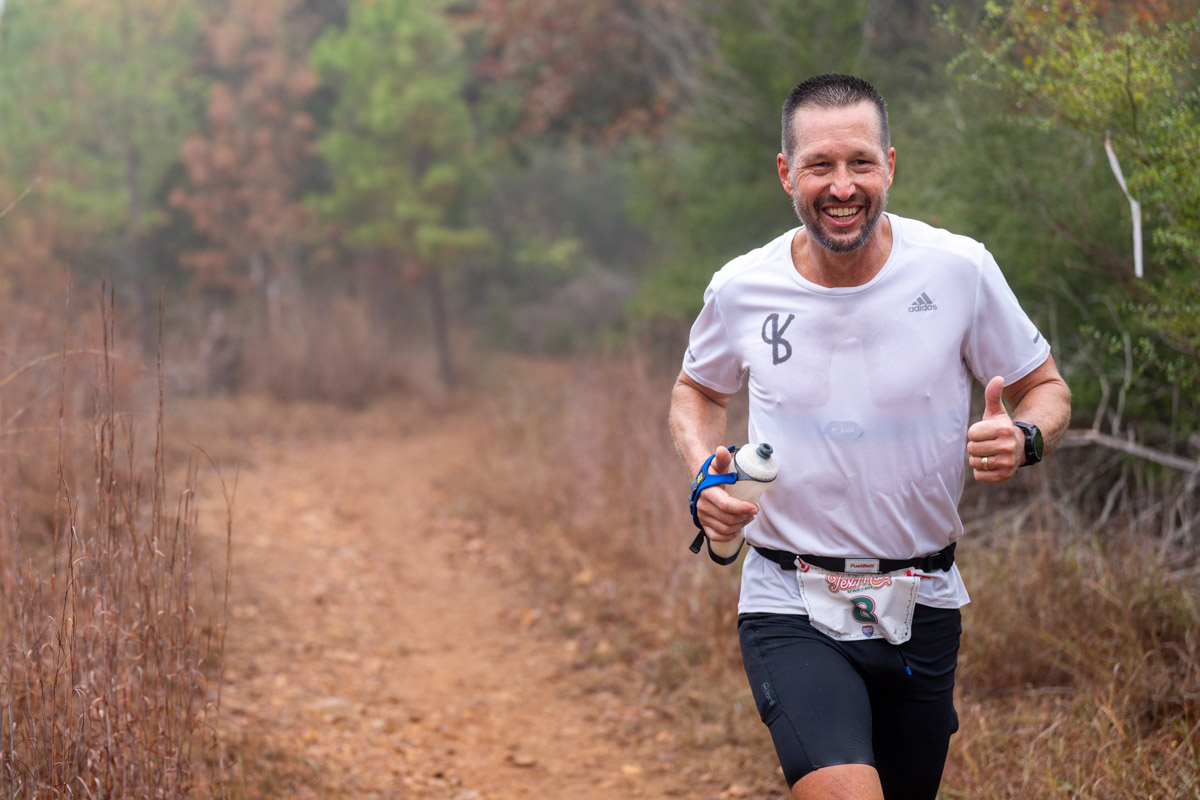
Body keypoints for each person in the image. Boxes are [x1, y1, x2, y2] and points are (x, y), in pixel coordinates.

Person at [668, 73, 1071, 800]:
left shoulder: (958, 269)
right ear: (786, 173)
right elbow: (697, 391)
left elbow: (1047, 388)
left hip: (924, 598)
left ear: (890, 165)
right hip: (789, 597)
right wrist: (705, 472)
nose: (842, 186)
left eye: (860, 163)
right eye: (820, 165)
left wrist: (1025, 437)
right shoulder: (742, 287)